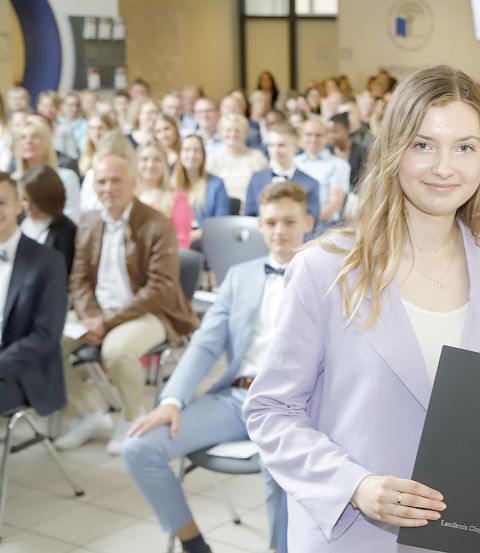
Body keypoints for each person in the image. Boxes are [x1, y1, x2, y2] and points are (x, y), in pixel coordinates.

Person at [242, 65, 480, 552]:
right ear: (393, 150)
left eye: (464, 147)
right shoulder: (324, 269)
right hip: (353, 536)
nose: (444, 167)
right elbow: (271, 410)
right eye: (423, 145)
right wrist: (354, 485)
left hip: (461, 540)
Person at [122, 181, 309, 553]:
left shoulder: (326, 277)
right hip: (238, 397)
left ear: (308, 221)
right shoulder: (240, 276)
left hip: (294, 405)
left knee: (280, 470)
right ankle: (194, 546)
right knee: (138, 448)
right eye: (271, 223)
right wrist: (172, 399)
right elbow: (205, 345)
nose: (280, 232)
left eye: (289, 222)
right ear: (259, 225)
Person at [54, 149, 198, 455]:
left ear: (132, 182)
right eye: (102, 181)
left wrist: (106, 323)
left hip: (152, 313)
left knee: (117, 350)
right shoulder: (90, 224)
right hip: (99, 313)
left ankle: (132, 417)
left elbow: (160, 288)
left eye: (116, 181)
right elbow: (78, 280)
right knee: (46, 339)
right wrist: (91, 317)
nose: (108, 188)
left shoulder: (155, 223)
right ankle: (89, 413)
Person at [0, 171, 69, 416]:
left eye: (2, 202)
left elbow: (45, 336)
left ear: (19, 205)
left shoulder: (47, 261)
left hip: (21, 370)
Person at [14, 116, 81, 223]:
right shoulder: (14, 180)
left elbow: (72, 218)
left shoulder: (66, 177)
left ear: (47, 142)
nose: (28, 141)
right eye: (23, 137)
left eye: (35, 136)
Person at [18, 164, 77, 275]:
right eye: (25, 199)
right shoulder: (18, 220)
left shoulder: (66, 231)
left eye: (35, 201)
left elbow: (60, 273)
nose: (28, 206)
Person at [136, 142, 194, 249]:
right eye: (144, 159)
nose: (150, 165)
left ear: (165, 165)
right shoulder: (128, 197)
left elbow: (182, 243)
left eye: (157, 160)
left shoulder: (177, 199)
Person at [172, 135, 230, 240]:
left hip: (206, 241)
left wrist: (192, 236)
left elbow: (220, 223)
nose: (191, 155)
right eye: (187, 150)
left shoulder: (217, 184)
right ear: (179, 154)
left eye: (196, 150)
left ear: (203, 156)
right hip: (175, 242)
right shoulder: (171, 185)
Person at [206, 113, 268, 207]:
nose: (233, 134)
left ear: (246, 133)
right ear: (220, 132)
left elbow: (264, 188)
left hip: (250, 209)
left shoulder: (257, 157)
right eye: (228, 130)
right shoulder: (212, 158)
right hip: (220, 210)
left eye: (237, 130)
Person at [293, 119, 349, 225]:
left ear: (326, 137)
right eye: (309, 134)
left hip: (323, 225)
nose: (313, 139)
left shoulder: (339, 165)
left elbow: (335, 204)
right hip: (294, 223)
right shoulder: (294, 162)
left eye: (318, 135)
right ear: (301, 137)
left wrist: (306, 223)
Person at [326, 112, 366, 194]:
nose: (331, 135)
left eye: (335, 132)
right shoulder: (326, 152)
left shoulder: (361, 152)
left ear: (347, 129)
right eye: (329, 132)